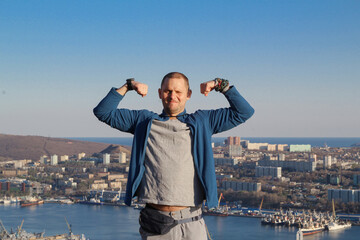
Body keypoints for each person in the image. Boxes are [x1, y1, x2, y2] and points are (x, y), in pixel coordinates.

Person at [93, 72, 254, 240]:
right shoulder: (143, 121)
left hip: (192, 222)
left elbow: (244, 112)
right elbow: (103, 112)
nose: (172, 96)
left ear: (188, 94)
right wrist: (129, 86)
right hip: (156, 225)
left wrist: (221, 85)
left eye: (178, 92)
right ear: (159, 93)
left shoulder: (203, 121)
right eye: (167, 91)